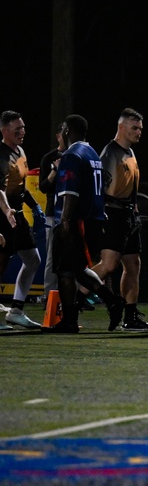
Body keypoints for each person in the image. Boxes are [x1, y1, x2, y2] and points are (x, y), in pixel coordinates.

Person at [42, 114, 126, 333]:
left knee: (65, 272)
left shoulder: (72, 155)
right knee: (77, 268)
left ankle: (69, 321)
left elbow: (70, 192)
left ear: (68, 131)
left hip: (76, 219)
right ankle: (112, 301)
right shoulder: (91, 153)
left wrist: (65, 221)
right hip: (92, 218)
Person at [85, 108, 148, 332]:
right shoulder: (109, 154)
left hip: (128, 216)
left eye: (140, 129)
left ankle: (130, 316)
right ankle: (71, 300)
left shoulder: (131, 153)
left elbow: (131, 185)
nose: (138, 132)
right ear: (121, 127)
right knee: (108, 265)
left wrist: (133, 209)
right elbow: (98, 190)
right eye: (134, 128)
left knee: (133, 265)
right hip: (112, 214)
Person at [1, 110, 44, 329]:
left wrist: (35, 206)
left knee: (33, 259)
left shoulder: (20, 152)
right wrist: (7, 211)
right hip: (2, 213)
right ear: (4, 130)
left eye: (23, 127)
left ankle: (16, 310)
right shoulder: (1, 154)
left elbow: (21, 187)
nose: (22, 132)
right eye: (17, 128)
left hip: (16, 213)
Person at [38, 120, 67, 302]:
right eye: (63, 132)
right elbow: (43, 187)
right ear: (58, 136)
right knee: (51, 256)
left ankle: (71, 295)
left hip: (71, 212)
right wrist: (54, 170)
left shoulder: (75, 155)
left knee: (72, 255)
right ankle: (50, 297)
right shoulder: (49, 158)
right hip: (53, 213)